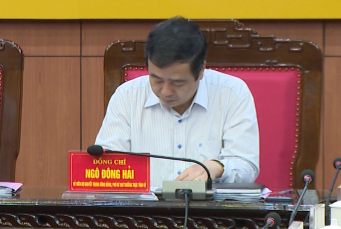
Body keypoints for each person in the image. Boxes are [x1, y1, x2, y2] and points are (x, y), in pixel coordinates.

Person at [95, 16, 260, 191]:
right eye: (157, 80)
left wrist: (216, 167)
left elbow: (247, 166)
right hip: (144, 207)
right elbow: (107, 166)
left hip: (211, 207)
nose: (166, 91)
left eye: (178, 83)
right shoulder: (127, 96)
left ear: (201, 71)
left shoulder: (232, 93)